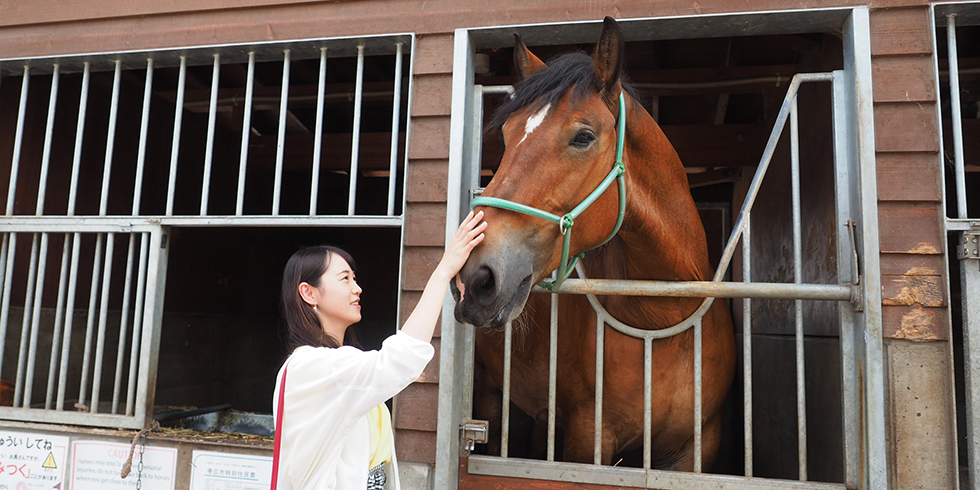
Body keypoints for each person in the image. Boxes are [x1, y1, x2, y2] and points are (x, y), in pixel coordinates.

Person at [272, 211, 487, 490]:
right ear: (309, 293)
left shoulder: (334, 365)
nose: (357, 288)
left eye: (355, 278)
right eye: (345, 279)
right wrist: (442, 272)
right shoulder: (314, 367)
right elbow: (401, 359)